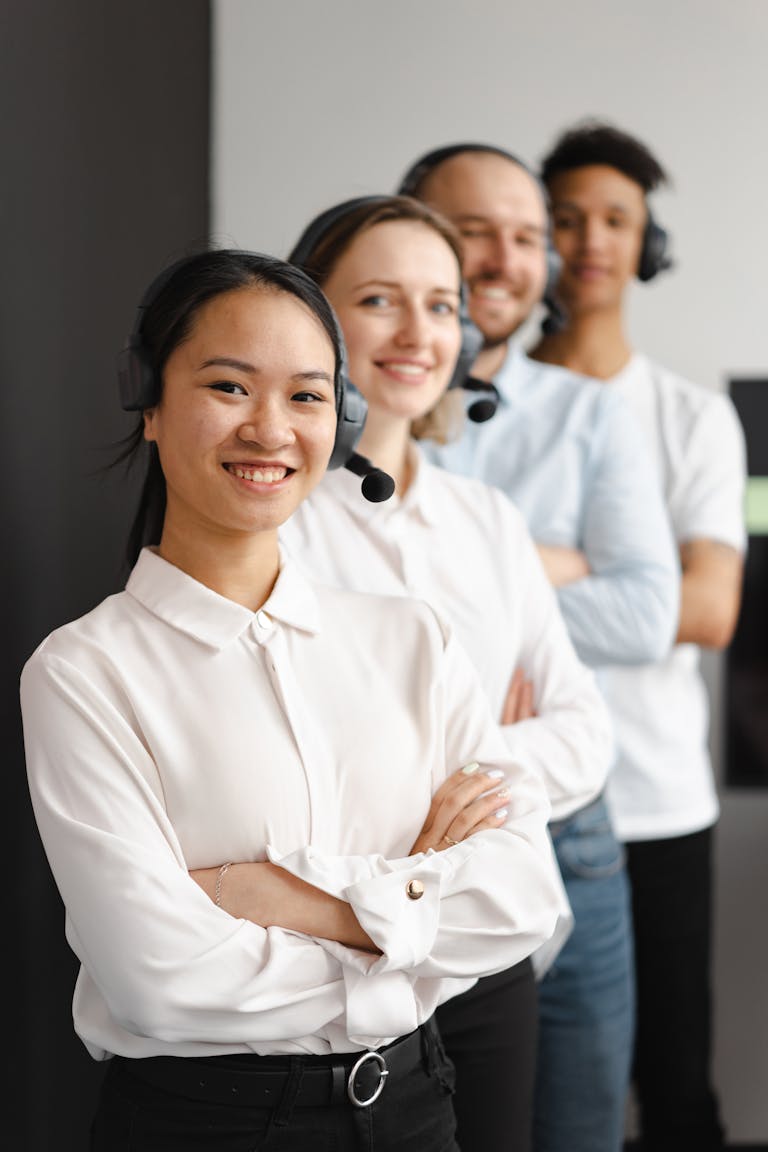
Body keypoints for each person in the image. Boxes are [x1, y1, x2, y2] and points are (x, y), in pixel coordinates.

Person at [19, 249, 565, 1152]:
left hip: (418, 1107)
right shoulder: (84, 672)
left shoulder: (412, 638)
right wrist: (414, 918)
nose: (270, 429)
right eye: (230, 387)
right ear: (149, 402)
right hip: (207, 1124)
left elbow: (522, 896)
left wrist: (278, 898)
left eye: (307, 396)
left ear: (342, 420)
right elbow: (161, 976)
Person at [281, 193, 615, 1152]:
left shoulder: (488, 520)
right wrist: (488, 749)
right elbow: (312, 768)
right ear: (315, 318)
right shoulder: (277, 522)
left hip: (496, 949)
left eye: (440, 304)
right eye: (380, 299)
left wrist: (442, 766)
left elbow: (587, 734)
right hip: (349, 962)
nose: (418, 332)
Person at [398, 143, 681, 1152]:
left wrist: (508, 581)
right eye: (475, 232)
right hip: (397, 829)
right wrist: (545, 568)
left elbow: (651, 612)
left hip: (569, 828)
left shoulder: (590, 414)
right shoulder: (333, 408)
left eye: (527, 236)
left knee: (575, 1125)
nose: (505, 259)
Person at [529, 119, 747, 1152]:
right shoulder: (483, 403)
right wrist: (623, 579)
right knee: (528, 1096)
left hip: (657, 803)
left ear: (646, 244)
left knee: (674, 1089)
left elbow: (708, 612)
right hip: (515, 804)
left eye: (616, 220)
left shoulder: (692, 418)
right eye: (565, 219)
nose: (590, 241)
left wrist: (529, 576)